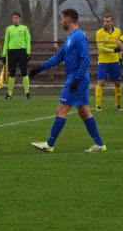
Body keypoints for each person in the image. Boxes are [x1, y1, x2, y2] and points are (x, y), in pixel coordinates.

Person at [28, 8, 106, 153]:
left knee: (61, 110)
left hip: (78, 79)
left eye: (62, 18)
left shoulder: (79, 37)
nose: (61, 21)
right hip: (77, 78)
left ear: (68, 20)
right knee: (84, 112)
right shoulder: (70, 38)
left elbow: (85, 59)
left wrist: (76, 79)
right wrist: (40, 68)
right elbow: (59, 56)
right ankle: (100, 144)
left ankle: (49, 144)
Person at [94, 13, 123, 111]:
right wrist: (113, 50)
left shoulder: (118, 32)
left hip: (114, 61)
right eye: (104, 21)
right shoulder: (99, 32)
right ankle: (98, 105)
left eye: (108, 21)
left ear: (112, 22)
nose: (105, 23)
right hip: (103, 61)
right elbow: (101, 48)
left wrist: (120, 58)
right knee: (100, 81)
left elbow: (119, 46)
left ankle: (118, 105)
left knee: (117, 83)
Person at [1, 11, 32, 100]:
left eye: (16, 18)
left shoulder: (24, 28)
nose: (15, 19)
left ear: (20, 19)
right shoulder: (9, 29)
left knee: (24, 72)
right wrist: (4, 54)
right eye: (13, 18)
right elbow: (6, 42)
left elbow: (27, 41)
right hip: (12, 53)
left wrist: (28, 53)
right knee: (12, 73)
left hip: (22, 52)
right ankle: (10, 93)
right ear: (12, 19)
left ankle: (27, 92)